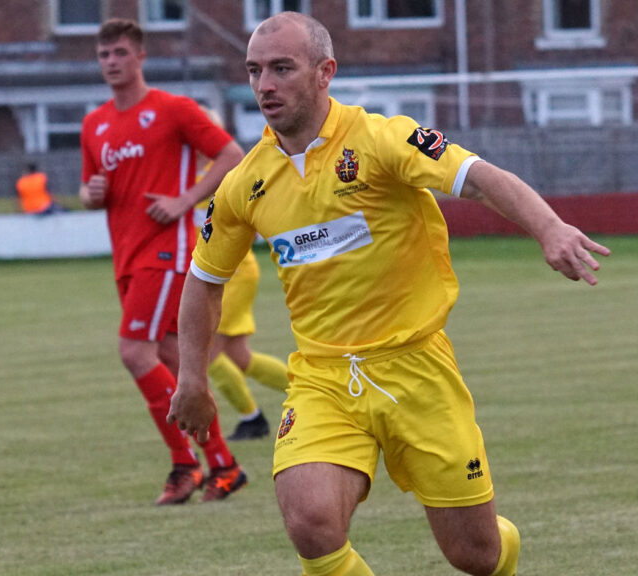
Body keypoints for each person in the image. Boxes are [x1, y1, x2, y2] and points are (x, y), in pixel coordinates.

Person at [168, 12, 610, 576]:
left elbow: (478, 176)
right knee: (310, 522)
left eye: (282, 68)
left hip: (417, 369)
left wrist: (549, 228)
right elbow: (205, 280)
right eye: (255, 71)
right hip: (324, 379)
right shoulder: (244, 184)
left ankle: (499, 548)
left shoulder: (383, 139)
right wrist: (192, 378)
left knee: (475, 557)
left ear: (325, 72)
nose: (264, 85)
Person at [78, 18, 248, 505]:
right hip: (127, 257)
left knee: (134, 352)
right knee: (174, 361)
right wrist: (90, 195)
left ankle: (183, 464)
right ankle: (224, 465)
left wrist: (184, 201)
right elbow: (94, 193)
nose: (111, 62)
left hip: (167, 251)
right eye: (104, 55)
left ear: (140, 57)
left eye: (120, 53)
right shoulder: (95, 124)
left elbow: (231, 155)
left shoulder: (173, 109)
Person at [193, 106, 290, 442]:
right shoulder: (192, 173)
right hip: (229, 270)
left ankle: (253, 418)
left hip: (230, 271)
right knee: (237, 355)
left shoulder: (216, 171)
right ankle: (320, 392)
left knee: (206, 353)